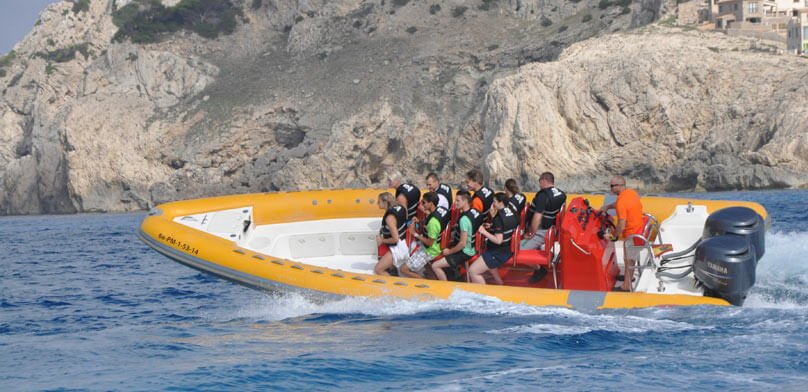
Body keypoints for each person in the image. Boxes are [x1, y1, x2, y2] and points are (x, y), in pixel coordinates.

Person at [598, 176, 644, 291]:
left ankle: (626, 286)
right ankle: (629, 277)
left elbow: (621, 226)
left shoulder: (621, 203)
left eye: (612, 186)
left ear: (619, 186)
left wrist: (612, 236)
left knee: (628, 259)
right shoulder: (630, 193)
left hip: (633, 235)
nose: (611, 189)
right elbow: (620, 203)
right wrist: (608, 206)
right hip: (640, 229)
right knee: (629, 258)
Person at [521, 172, 566, 284]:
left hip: (542, 231)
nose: (539, 184)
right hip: (553, 230)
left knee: (518, 250)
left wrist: (531, 233)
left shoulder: (542, 196)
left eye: (539, 181)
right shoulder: (561, 194)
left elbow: (537, 217)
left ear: (544, 181)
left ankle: (540, 269)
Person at [467, 193, 519, 285]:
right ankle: (500, 283)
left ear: (501, 203)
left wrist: (484, 231)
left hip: (499, 252)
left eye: (494, 202)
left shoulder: (498, 218)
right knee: (488, 263)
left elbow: (498, 241)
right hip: (508, 249)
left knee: (472, 271)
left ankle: (483, 292)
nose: (493, 204)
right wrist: (492, 225)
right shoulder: (512, 212)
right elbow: (506, 227)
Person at [431, 192, 482, 281]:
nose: (455, 203)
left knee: (435, 266)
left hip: (464, 252)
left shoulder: (464, 220)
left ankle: (444, 286)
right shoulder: (475, 212)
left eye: (458, 201)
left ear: (465, 201)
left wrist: (449, 251)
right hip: (472, 248)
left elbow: (462, 244)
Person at [405, 192, 451, 278]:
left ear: (431, 203)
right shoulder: (441, 210)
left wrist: (414, 233)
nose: (422, 204)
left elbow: (429, 243)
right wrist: (420, 221)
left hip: (431, 250)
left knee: (404, 269)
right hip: (439, 244)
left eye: (424, 202)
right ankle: (431, 276)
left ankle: (422, 281)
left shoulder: (433, 223)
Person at [374, 192, 409, 276]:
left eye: (379, 201)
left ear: (385, 202)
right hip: (405, 241)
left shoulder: (389, 218)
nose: (377, 203)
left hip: (399, 247)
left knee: (378, 269)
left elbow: (395, 239)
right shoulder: (401, 207)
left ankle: (393, 283)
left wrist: (382, 240)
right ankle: (392, 269)